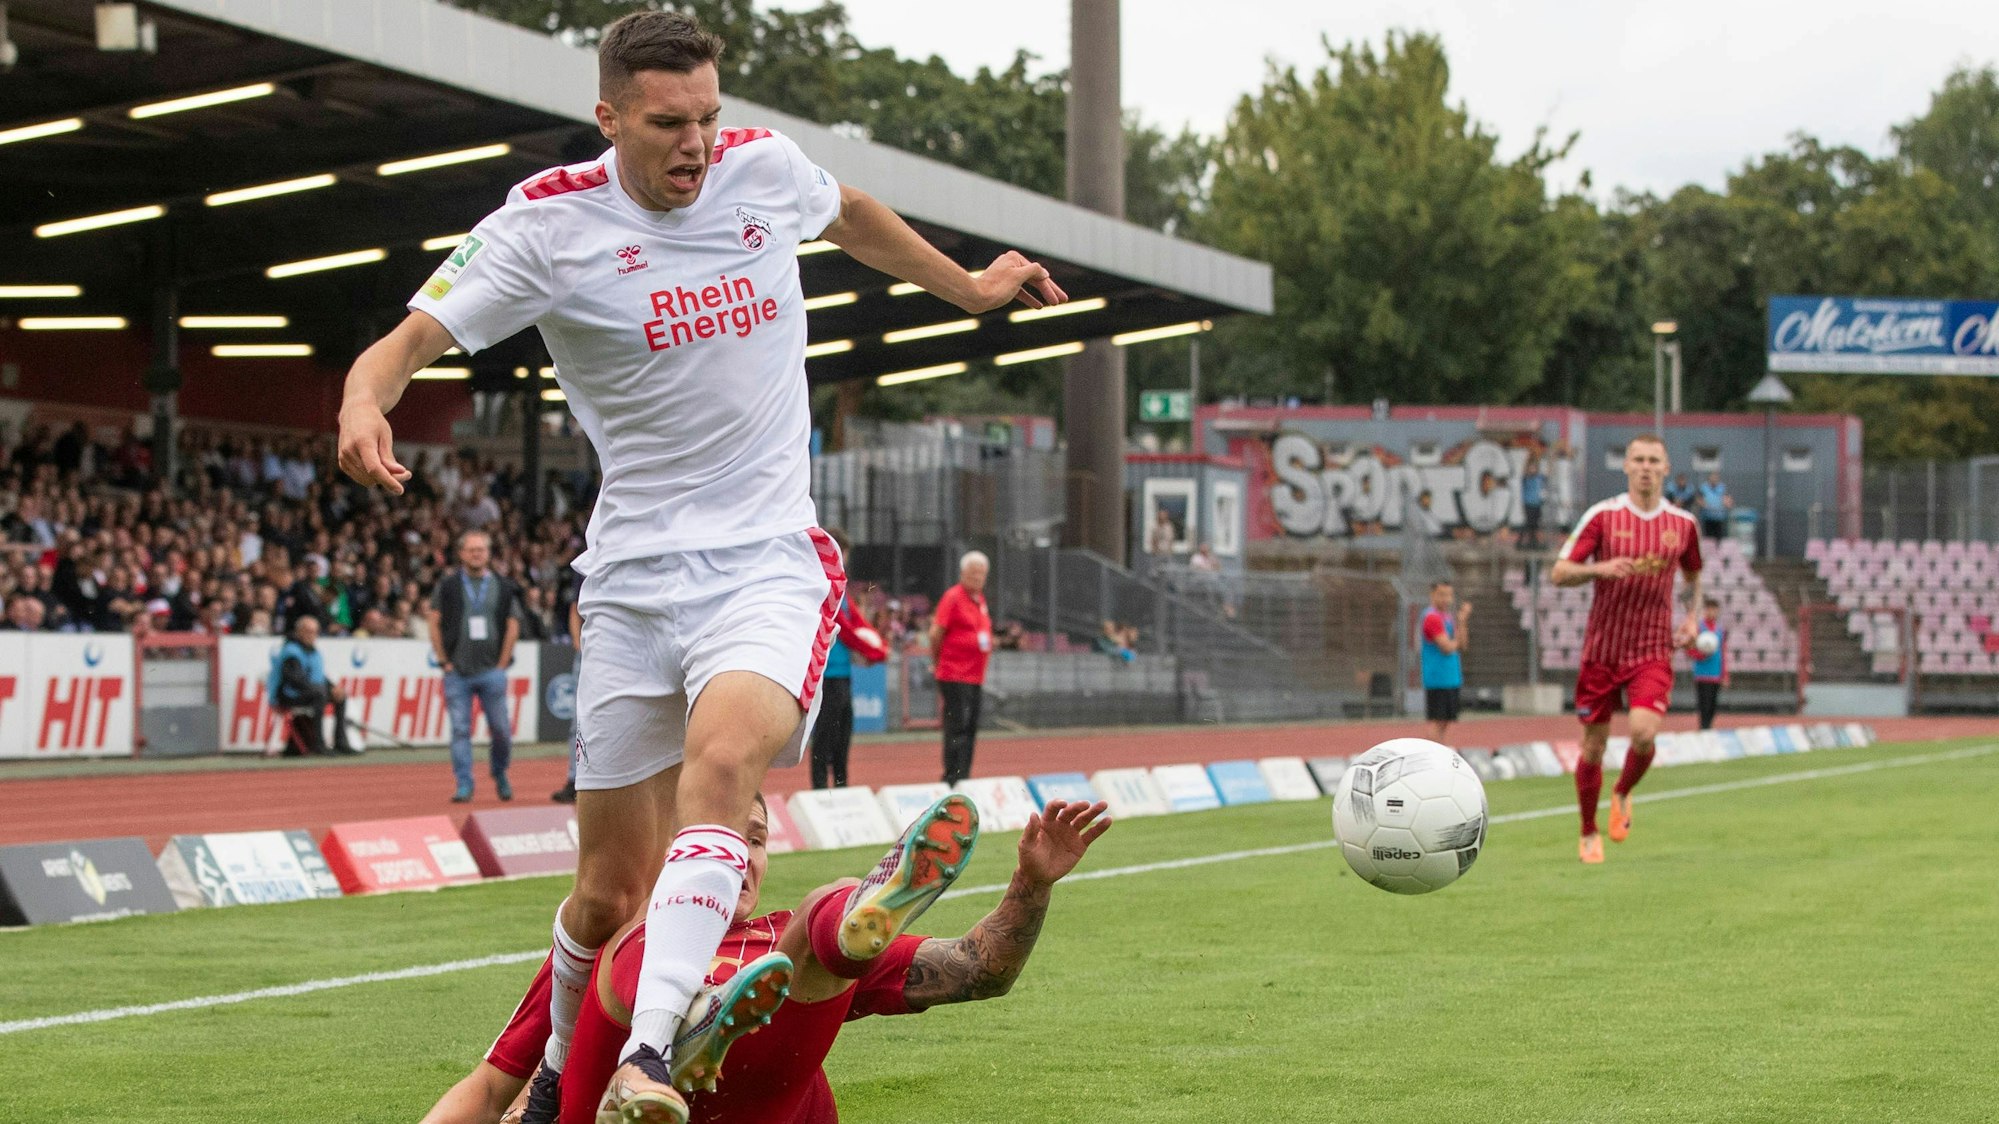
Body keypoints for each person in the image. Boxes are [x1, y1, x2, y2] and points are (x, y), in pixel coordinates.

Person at [336, 10, 1068, 1119]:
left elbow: (855, 215)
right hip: (629, 584)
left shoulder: (760, 171)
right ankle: (553, 1071)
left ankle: (654, 1050)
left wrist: (967, 287)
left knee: (721, 768)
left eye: (708, 118)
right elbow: (412, 341)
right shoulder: (545, 225)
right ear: (610, 117)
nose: (695, 144)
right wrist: (359, 399)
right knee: (605, 890)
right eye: (669, 123)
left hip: (766, 560)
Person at [423, 793, 1108, 1124]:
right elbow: (489, 1090)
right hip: (604, 1105)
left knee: (818, 920)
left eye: (755, 840)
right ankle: (666, 1037)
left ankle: (834, 928)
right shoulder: (610, 945)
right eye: (723, 842)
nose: (742, 857)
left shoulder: (778, 935)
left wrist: (1031, 884)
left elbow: (977, 969)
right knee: (631, 934)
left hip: (758, 1083)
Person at [1552, 434, 1702, 864]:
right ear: (1626, 467)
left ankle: (1622, 792)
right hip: (1602, 651)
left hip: (1652, 650)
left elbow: (1694, 577)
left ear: (1666, 468)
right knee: (1593, 747)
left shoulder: (1683, 525)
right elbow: (1559, 573)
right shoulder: (1603, 517)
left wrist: (1691, 618)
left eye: (1654, 460)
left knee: (1643, 733)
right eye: (1638, 459)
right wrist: (1600, 568)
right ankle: (1586, 830)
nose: (1646, 467)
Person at [425, 530, 522, 803]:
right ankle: (464, 783)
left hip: (492, 671)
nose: (476, 554)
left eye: (481, 549)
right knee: (459, 729)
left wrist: (503, 663)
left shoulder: (503, 585)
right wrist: (443, 660)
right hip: (457, 672)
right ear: (461, 553)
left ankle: (499, 772)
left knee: (501, 729)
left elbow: (513, 624)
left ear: (488, 554)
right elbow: (433, 620)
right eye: (471, 550)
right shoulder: (448, 585)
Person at [810, 531, 886, 790]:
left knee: (843, 736)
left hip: (843, 674)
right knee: (824, 737)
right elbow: (847, 630)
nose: (845, 561)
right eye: (843, 554)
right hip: (825, 674)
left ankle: (842, 790)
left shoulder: (842, 592)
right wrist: (875, 651)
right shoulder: (821, 587)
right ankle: (819, 790)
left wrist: (877, 648)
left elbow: (858, 624)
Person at [930, 551, 993, 786]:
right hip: (954, 673)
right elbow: (936, 633)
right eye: (973, 572)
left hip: (975, 676)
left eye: (982, 573)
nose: (978, 577)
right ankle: (952, 776)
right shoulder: (953, 597)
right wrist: (938, 661)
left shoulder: (980, 600)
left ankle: (965, 776)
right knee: (957, 726)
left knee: (971, 727)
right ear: (963, 573)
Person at [266, 615, 356, 757]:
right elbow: (294, 679)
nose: (312, 635)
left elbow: (319, 676)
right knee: (319, 695)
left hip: (307, 693)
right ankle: (318, 745)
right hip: (286, 695)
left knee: (340, 695)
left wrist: (332, 688)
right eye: (308, 631)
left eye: (315, 632)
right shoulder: (291, 651)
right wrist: (321, 690)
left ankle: (341, 742)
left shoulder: (313, 651)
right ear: (299, 632)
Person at [1419, 581, 1470, 745]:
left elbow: (1462, 644)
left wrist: (1462, 621)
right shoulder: (1431, 617)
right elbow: (1446, 647)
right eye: (1442, 595)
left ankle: (1438, 751)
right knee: (1437, 720)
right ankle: (1432, 754)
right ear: (1432, 595)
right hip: (1437, 677)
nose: (1446, 599)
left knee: (1446, 721)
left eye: (1449, 595)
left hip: (1451, 676)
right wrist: (1454, 643)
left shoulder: (1447, 617)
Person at [1690, 597, 1727, 731]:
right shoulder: (1699, 628)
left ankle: (1708, 728)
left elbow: (1723, 653)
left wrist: (1724, 675)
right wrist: (1701, 655)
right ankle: (1703, 729)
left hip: (1716, 674)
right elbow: (1690, 650)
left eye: (1715, 610)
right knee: (1703, 705)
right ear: (1706, 610)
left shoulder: (1719, 631)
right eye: (1709, 609)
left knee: (1713, 705)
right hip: (1702, 673)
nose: (1712, 612)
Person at [1519, 457, 1546, 549]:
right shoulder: (1526, 478)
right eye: (1531, 467)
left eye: (1534, 467)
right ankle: (1520, 541)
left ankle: (1533, 542)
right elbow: (1523, 471)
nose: (1533, 469)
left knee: (1535, 524)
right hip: (1529, 504)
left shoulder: (1539, 478)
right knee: (1528, 523)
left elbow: (1549, 473)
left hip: (1537, 504)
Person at [1696, 471, 1732, 542]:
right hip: (1707, 516)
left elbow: (1727, 498)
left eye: (1715, 478)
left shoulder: (1722, 487)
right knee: (1708, 536)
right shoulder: (1704, 487)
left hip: (1719, 516)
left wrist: (1727, 503)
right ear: (1709, 478)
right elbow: (1698, 499)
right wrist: (1703, 504)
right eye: (1712, 478)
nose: (1714, 479)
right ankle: (1709, 551)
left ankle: (1718, 551)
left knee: (1719, 536)